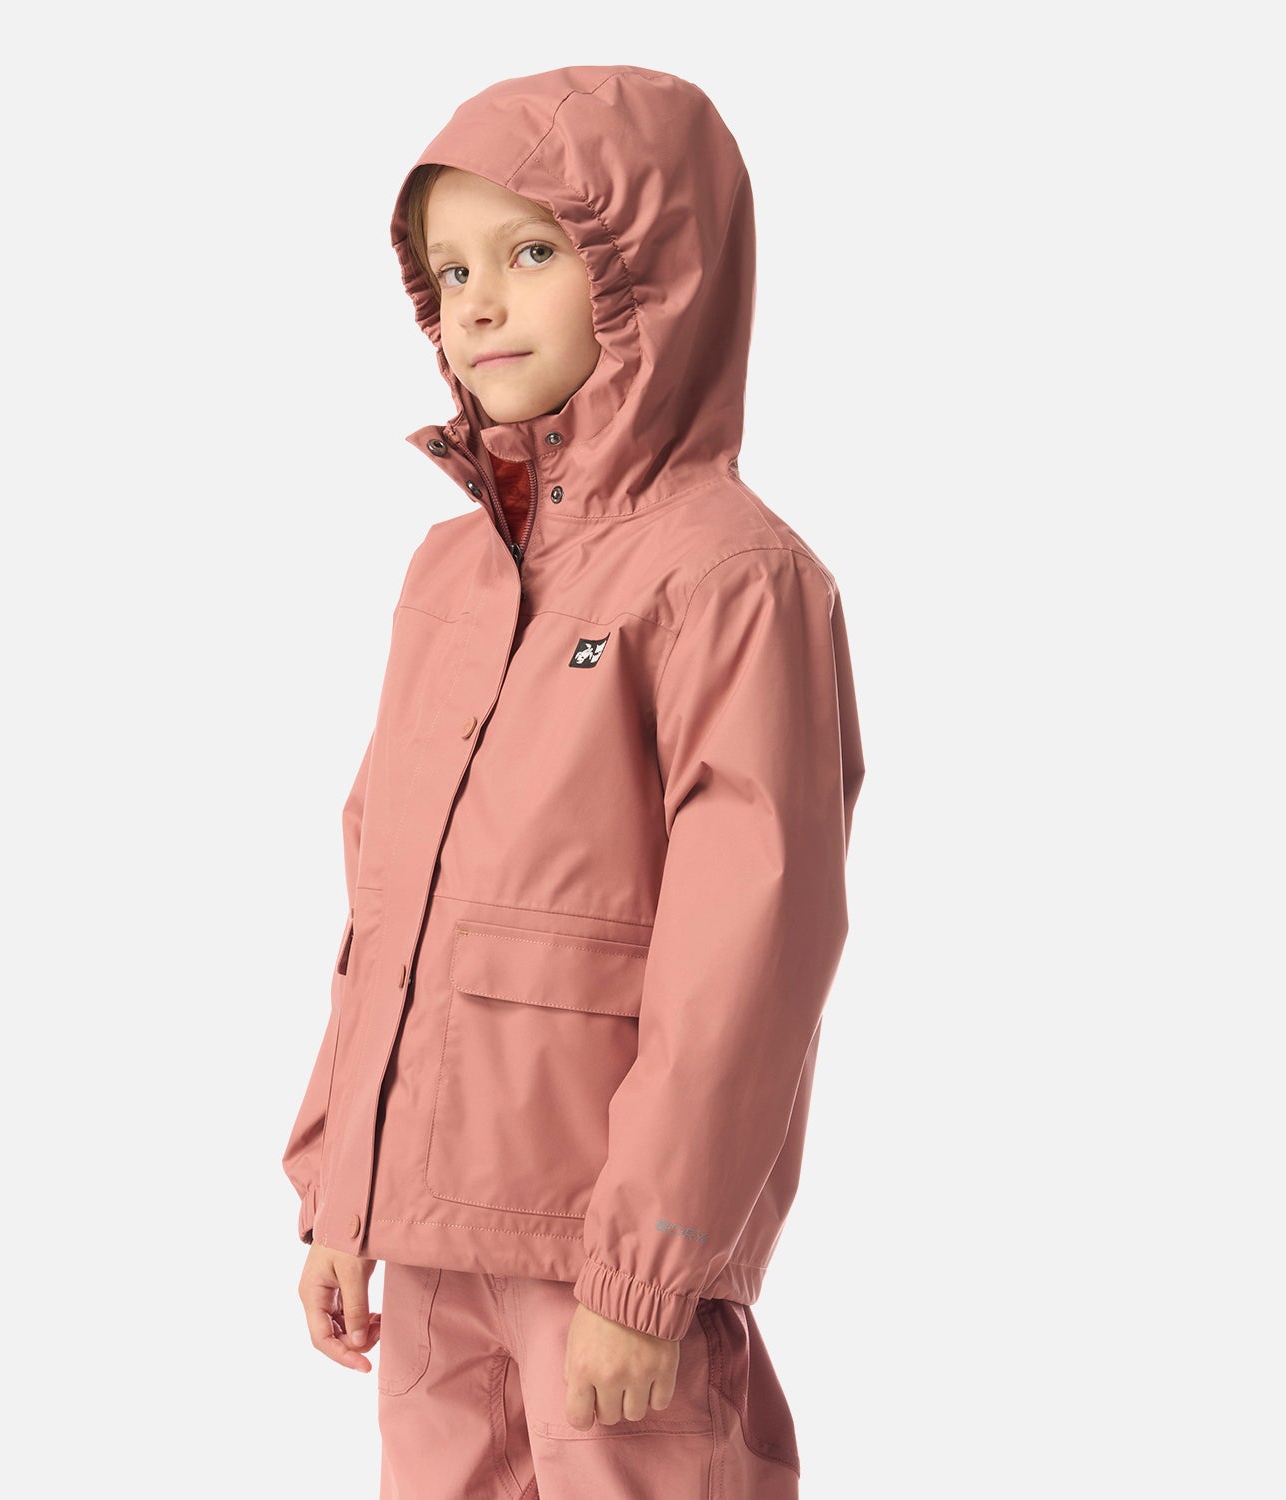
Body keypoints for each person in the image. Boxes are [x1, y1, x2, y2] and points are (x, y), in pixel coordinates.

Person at [281, 64, 865, 1498]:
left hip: (599, 1250)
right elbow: (385, 896)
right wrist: (339, 1192)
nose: (477, 303)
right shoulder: (451, 574)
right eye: (450, 272)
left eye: (531, 252)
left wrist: (650, 1260)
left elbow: (749, 949)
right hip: (428, 1235)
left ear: (653, 269)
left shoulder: (730, 577)